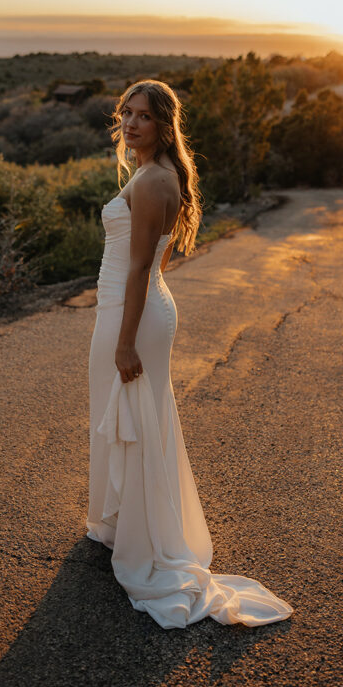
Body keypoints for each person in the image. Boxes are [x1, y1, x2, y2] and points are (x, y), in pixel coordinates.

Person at [87, 79, 293, 628]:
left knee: (135, 417)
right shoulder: (149, 173)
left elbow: (138, 269)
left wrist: (127, 338)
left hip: (133, 315)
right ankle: (118, 525)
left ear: (164, 125)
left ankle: (143, 537)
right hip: (128, 307)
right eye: (126, 113)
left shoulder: (155, 180)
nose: (131, 124)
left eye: (144, 117)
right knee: (127, 415)